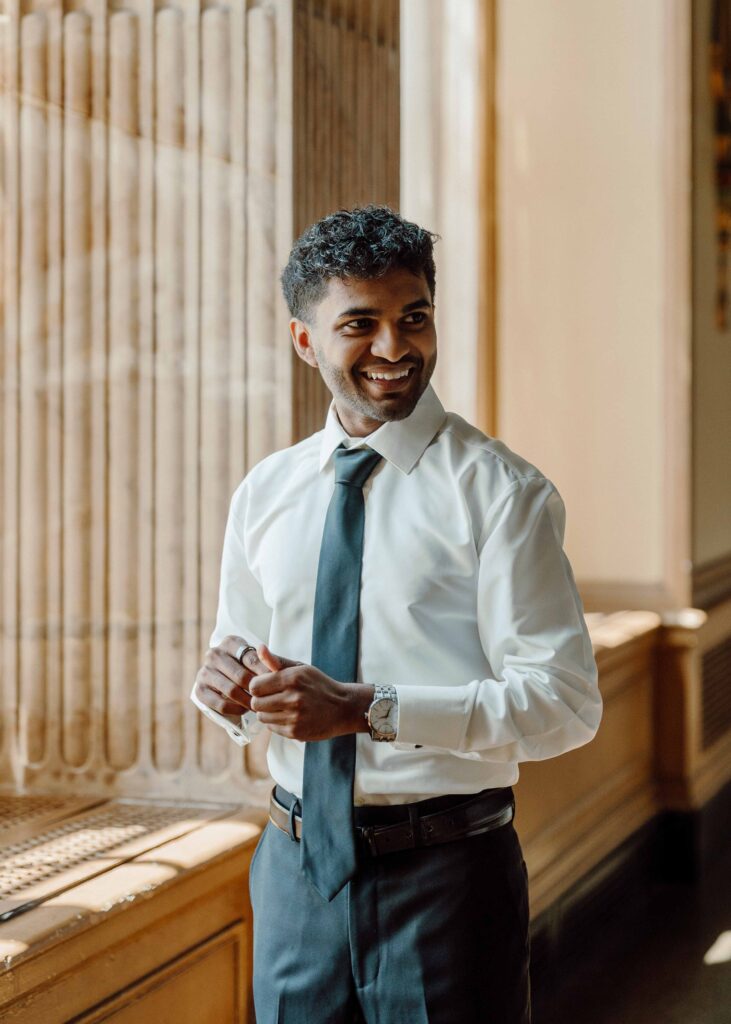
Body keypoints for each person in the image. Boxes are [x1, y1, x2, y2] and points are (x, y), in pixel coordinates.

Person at [190, 205, 602, 1024]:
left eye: (413, 318)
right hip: (293, 872)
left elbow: (563, 704)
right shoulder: (265, 492)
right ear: (305, 340)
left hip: (449, 876)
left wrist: (363, 709)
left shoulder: (501, 494)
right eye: (360, 323)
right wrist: (224, 693)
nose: (393, 348)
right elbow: (234, 652)